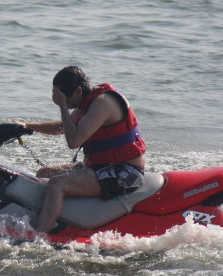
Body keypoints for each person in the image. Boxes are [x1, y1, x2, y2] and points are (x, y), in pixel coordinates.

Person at [21, 66, 147, 233]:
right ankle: (55, 219)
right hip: (99, 167)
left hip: (124, 172)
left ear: (79, 90)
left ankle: (39, 235)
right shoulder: (85, 102)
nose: (66, 104)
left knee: (56, 185)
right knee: (43, 173)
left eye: (65, 98)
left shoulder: (102, 103)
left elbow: (73, 141)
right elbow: (62, 126)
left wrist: (63, 107)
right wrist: (27, 126)